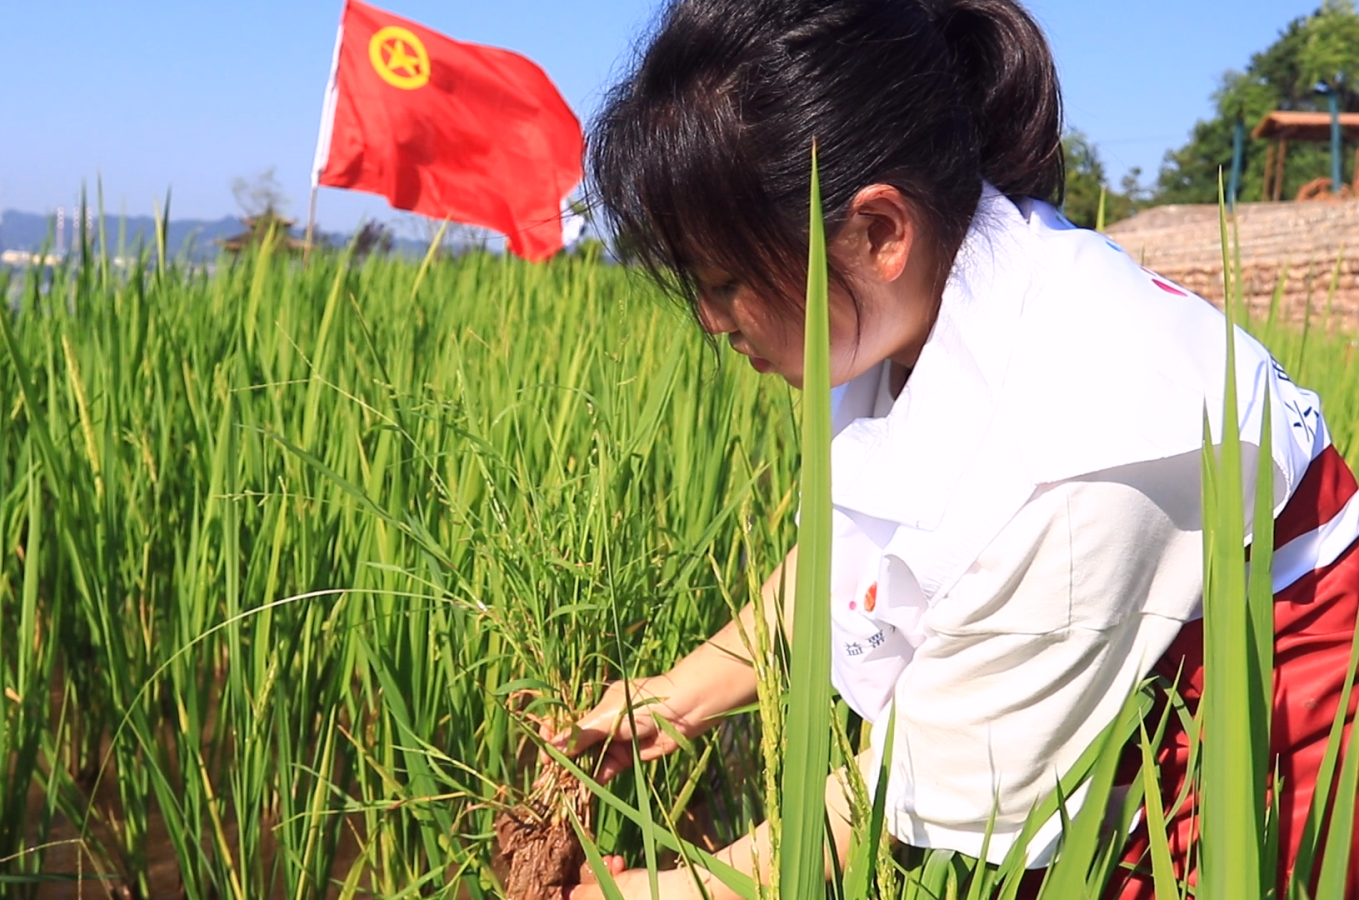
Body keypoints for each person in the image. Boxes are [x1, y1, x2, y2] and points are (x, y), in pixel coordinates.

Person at [549, 0, 1359, 898]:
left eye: (726, 282)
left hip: (1270, 736)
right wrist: (683, 693)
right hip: (1116, 673)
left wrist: (664, 889)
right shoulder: (914, 303)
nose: (711, 322)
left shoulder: (1084, 441)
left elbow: (919, 789)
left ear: (877, 233)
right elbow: (864, 546)